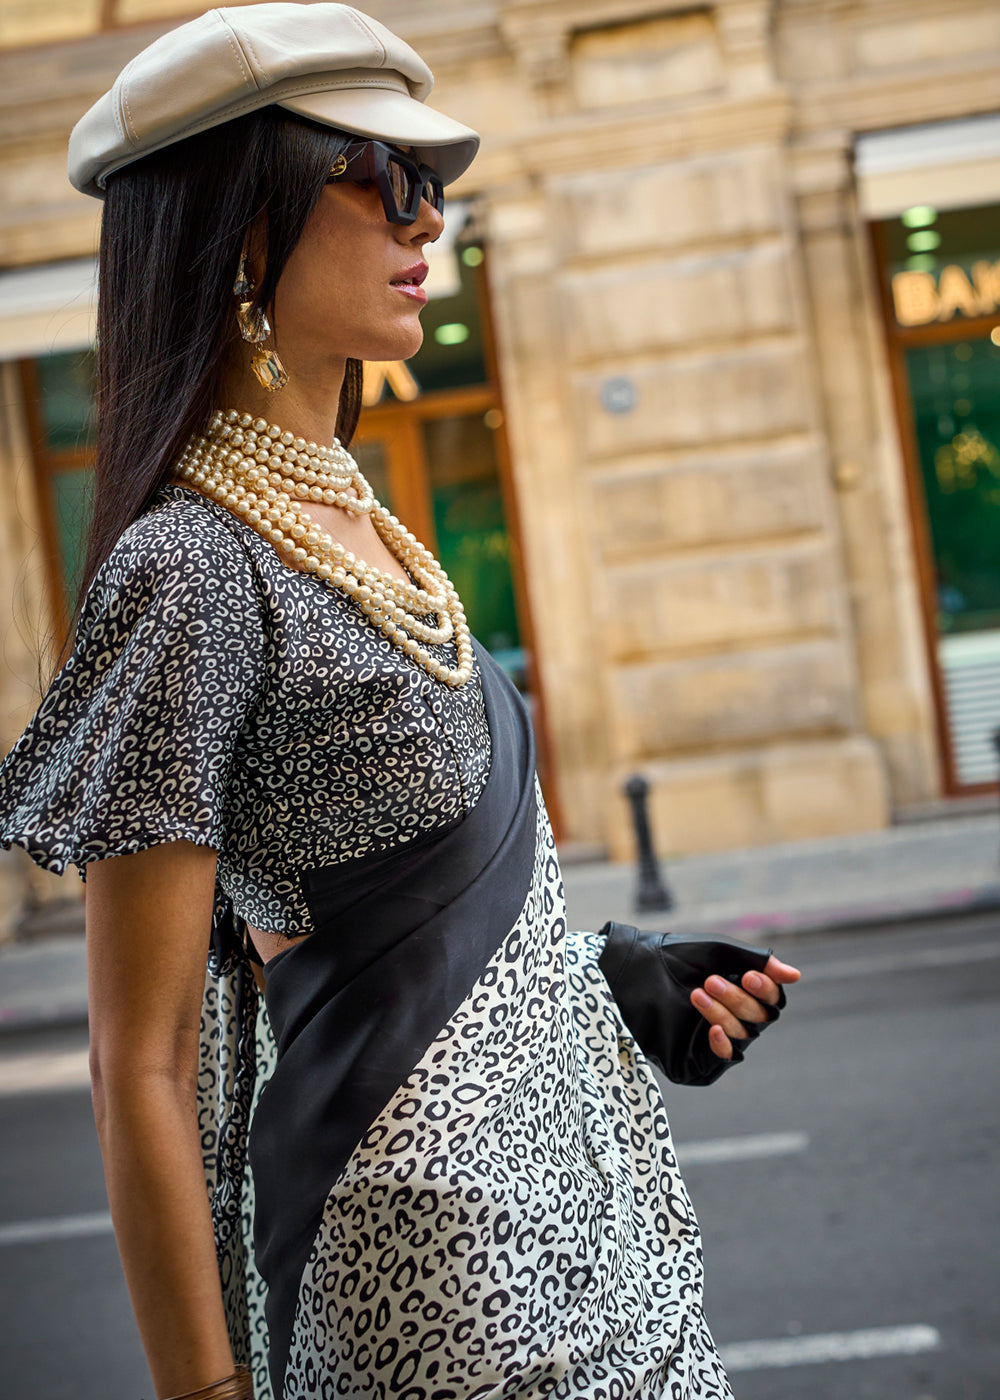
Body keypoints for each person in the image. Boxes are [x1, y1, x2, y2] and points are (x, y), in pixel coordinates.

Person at [0, 6, 800, 1399]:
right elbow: (142, 1061)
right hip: (442, 1284)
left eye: (428, 181)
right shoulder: (191, 567)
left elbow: (376, 930)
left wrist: (610, 983)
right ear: (239, 228)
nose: (426, 216)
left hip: (599, 1228)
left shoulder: (362, 520)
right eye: (378, 176)